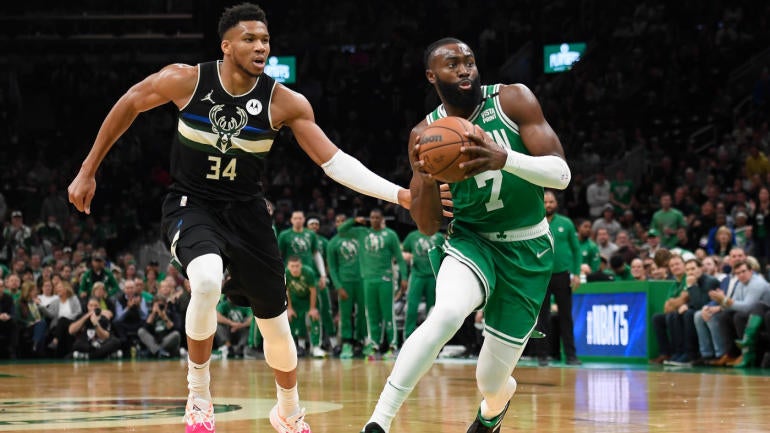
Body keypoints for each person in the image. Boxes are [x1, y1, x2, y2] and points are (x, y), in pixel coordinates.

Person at [66, 4, 409, 433]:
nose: (261, 47)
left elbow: (335, 162)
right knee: (206, 279)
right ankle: (198, 396)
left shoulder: (284, 102)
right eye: (250, 39)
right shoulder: (186, 80)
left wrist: (401, 195)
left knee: (276, 327)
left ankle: (288, 410)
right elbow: (130, 103)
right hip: (192, 203)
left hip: (248, 213)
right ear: (226, 46)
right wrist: (87, 169)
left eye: (265, 40)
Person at [360, 37, 570, 433]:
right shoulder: (425, 133)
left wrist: (503, 158)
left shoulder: (513, 101)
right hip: (471, 239)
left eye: (469, 62)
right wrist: (425, 174)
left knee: (490, 380)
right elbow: (425, 225)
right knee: (447, 313)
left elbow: (562, 174)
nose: (464, 70)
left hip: (527, 248)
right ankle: (378, 421)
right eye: (452, 64)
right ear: (431, 75)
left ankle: (492, 410)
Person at [337, 210, 407, 359]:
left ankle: (392, 345)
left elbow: (400, 259)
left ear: (382, 219)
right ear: (370, 219)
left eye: (377, 217)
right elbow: (341, 230)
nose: (374, 220)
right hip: (368, 280)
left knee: (388, 314)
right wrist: (354, 220)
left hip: (385, 279)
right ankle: (375, 345)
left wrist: (404, 277)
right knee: (372, 315)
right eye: (372, 217)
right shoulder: (362, 232)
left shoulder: (390, 235)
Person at [532, 190, 581, 366]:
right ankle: (542, 355)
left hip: (563, 274)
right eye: (545, 202)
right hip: (541, 275)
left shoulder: (566, 223)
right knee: (541, 316)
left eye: (551, 202)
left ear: (556, 204)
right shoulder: (534, 223)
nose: (548, 205)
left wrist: (576, 273)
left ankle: (571, 355)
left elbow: (576, 250)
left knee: (566, 316)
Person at [326, 214, 366, 359]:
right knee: (345, 313)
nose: (341, 223)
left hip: (361, 280)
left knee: (362, 312)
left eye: (343, 220)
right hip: (345, 282)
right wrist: (338, 286)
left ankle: (360, 340)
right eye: (338, 221)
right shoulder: (332, 243)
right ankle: (347, 342)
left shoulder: (358, 236)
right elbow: (332, 267)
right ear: (335, 224)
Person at [401, 227, 445, 340]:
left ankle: (433, 339)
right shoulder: (412, 236)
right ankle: (408, 338)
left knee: (433, 310)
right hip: (417, 276)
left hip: (433, 276)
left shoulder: (439, 237)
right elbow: (402, 251)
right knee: (411, 307)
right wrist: (406, 255)